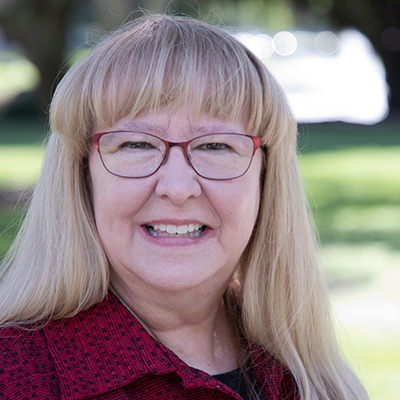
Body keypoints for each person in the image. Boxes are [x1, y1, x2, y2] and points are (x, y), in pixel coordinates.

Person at [0, 14, 369, 400]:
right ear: (81, 177)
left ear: (265, 179)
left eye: (216, 146)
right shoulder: (15, 378)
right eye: (136, 144)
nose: (178, 188)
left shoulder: (308, 377)